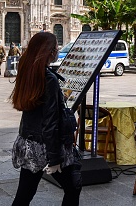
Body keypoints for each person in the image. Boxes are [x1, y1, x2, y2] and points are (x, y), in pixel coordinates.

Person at [10, 32, 82, 205]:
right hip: (46, 146)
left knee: (24, 194)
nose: (57, 51)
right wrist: (55, 158)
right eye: (56, 48)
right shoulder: (48, 78)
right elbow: (49, 123)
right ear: (49, 51)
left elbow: (37, 108)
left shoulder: (28, 72)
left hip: (28, 143)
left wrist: (57, 99)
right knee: (73, 188)